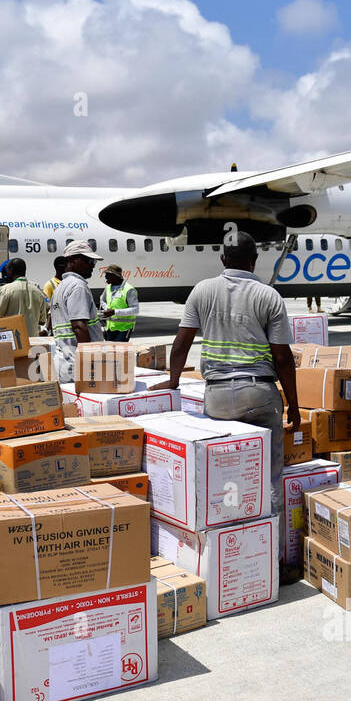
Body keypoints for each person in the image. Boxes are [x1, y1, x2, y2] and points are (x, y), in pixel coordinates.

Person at [156, 232, 299, 578]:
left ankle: (227, 558)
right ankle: (274, 563)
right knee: (269, 479)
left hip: (217, 396)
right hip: (260, 394)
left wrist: (174, 381)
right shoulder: (269, 296)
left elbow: (181, 344)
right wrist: (294, 405)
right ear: (254, 260)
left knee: (226, 478)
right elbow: (282, 357)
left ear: (222, 259)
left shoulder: (202, 291)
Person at [49, 241, 104, 382]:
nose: (92, 265)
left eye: (93, 262)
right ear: (72, 260)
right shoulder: (78, 286)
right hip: (78, 366)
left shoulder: (60, 287)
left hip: (64, 362)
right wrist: (89, 364)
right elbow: (79, 326)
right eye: (88, 260)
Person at [0, 257, 48, 332]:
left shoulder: (5, 290)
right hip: (33, 339)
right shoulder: (38, 291)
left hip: (14, 339)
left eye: (7, 270)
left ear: (11, 270)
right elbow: (42, 321)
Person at [100, 265, 139, 341]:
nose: (105, 277)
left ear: (115, 275)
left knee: (119, 352)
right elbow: (102, 300)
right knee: (110, 351)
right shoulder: (108, 287)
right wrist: (107, 308)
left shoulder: (129, 290)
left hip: (124, 329)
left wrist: (114, 312)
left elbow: (135, 310)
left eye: (108, 275)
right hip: (110, 328)